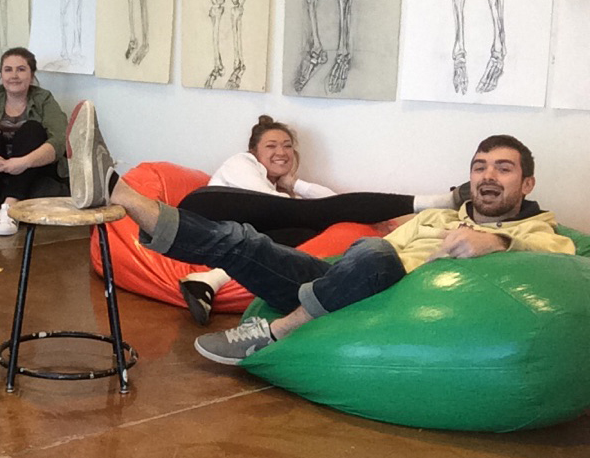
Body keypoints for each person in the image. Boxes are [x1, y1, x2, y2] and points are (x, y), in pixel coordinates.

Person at [65, 100, 575, 365]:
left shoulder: (542, 232)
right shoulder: (439, 220)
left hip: (394, 306)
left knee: (374, 253)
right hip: (341, 286)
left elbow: (558, 266)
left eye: (503, 169)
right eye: (481, 165)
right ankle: (119, 192)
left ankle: (274, 333)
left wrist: (500, 240)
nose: (488, 175)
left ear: (527, 182)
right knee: (244, 242)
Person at [175, 115, 467, 326]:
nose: (281, 152)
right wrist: (300, 200)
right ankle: (437, 201)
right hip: (202, 209)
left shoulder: (278, 189)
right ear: (254, 151)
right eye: (272, 146)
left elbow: (325, 202)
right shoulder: (241, 164)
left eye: (288, 146)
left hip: (229, 229)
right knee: (312, 216)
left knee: (301, 230)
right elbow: (319, 207)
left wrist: (294, 182)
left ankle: (206, 281)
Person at [0, 47, 69, 236]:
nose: (14, 75)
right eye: (8, 69)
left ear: (31, 75)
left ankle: (10, 207)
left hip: (28, 168)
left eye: (21, 69)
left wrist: (24, 162)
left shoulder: (44, 99)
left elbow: (60, 140)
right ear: (1, 75)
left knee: (32, 128)